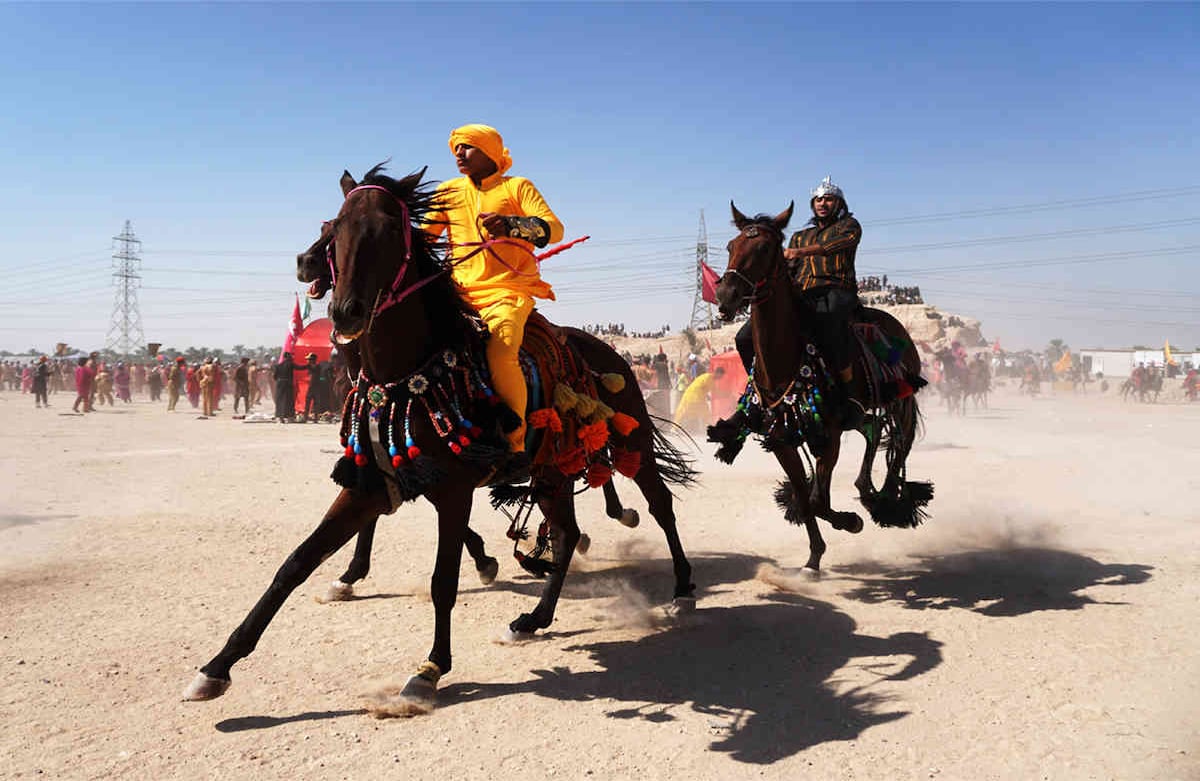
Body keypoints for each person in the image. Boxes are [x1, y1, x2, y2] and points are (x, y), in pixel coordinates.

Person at [423, 123, 564, 482]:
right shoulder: (447, 192)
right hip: (458, 295)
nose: (459, 154)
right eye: (456, 148)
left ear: (490, 152)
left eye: (468, 147)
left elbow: (554, 228)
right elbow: (422, 238)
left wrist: (513, 226)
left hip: (507, 292)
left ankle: (515, 447)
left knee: (501, 352)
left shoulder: (517, 187)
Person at [274, 352, 296, 421]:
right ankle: (289, 416)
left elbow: (275, 377)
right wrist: (308, 365)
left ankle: (280, 416)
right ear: (288, 357)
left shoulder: (278, 365)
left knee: (280, 400)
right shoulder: (290, 364)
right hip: (288, 384)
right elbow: (299, 368)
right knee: (288, 400)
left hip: (280, 384)